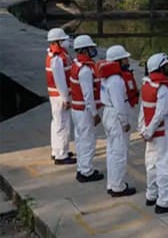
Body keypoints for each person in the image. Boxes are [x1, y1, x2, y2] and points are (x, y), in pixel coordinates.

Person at [139, 53, 168, 214]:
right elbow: (161, 112)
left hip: (151, 132)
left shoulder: (147, 83)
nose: (167, 69)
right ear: (160, 68)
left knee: (151, 163)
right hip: (161, 133)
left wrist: (143, 129)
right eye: (165, 66)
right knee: (166, 167)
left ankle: (152, 194)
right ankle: (164, 202)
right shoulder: (163, 87)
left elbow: (144, 109)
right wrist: (149, 130)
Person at [100, 45, 137, 197]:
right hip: (116, 116)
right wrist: (124, 121)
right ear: (118, 61)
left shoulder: (107, 77)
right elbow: (119, 104)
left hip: (108, 113)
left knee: (112, 151)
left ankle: (113, 183)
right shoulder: (116, 80)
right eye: (125, 58)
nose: (127, 60)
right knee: (120, 152)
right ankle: (118, 187)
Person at [69, 34, 104, 182]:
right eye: (90, 48)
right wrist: (94, 113)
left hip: (77, 109)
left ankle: (82, 167)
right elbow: (88, 94)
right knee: (88, 140)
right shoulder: (85, 70)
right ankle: (86, 171)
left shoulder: (76, 64)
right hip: (84, 110)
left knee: (80, 139)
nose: (93, 50)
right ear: (84, 50)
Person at [45, 28, 76, 165]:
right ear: (57, 41)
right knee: (62, 124)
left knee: (57, 123)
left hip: (57, 95)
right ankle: (61, 155)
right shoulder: (57, 58)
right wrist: (65, 98)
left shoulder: (57, 55)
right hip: (59, 96)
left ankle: (57, 150)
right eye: (63, 40)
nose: (66, 41)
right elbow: (60, 81)